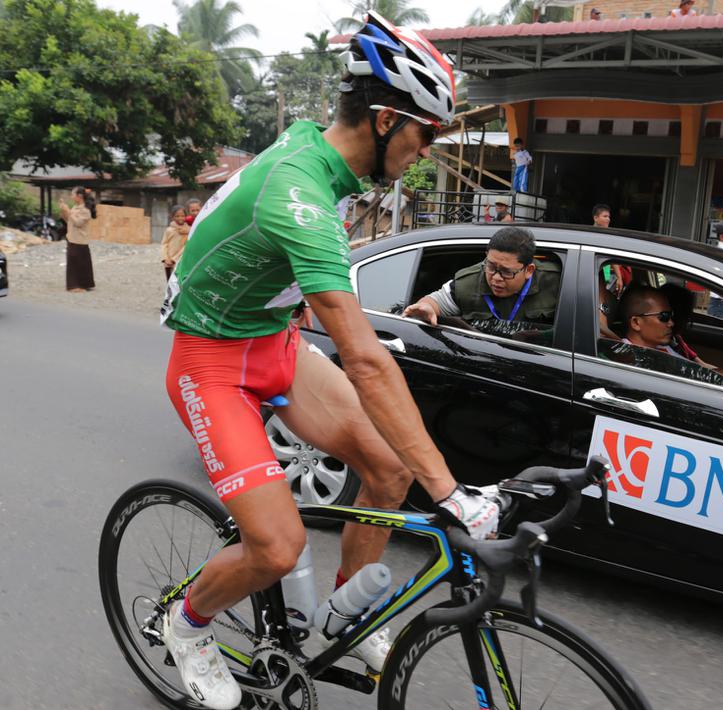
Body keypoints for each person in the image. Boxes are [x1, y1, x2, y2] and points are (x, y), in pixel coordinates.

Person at [157, 14, 501, 709]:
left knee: (389, 469)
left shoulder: (325, 156)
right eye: (426, 134)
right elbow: (365, 361)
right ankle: (186, 624)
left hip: (273, 343)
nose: (428, 151)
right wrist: (452, 493)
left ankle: (347, 612)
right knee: (277, 547)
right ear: (385, 119)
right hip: (211, 363)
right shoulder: (300, 193)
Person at [401, 226, 560, 332]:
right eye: (491, 266)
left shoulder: (558, 282)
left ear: (529, 270)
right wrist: (426, 307)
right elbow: (432, 303)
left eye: (506, 272)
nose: (496, 278)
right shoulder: (468, 281)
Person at [620, 285, 723, 381]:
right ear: (636, 322)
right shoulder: (635, 361)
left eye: (671, 315)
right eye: (664, 317)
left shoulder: (660, 349)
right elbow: (704, 380)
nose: (671, 323)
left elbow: (702, 374)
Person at [59, 186, 95, 292]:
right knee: (74, 263)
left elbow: (78, 223)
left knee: (79, 263)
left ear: (79, 196)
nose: (71, 197)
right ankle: (78, 285)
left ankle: (78, 285)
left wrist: (68, 211)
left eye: (72, 194)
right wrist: (64, 211)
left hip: (80, 240)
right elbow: (69, 221)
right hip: (72, 237)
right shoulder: (75, 208)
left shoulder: (85, 210)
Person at [160, 204, 190, 281]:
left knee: (180, 281)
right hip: (168, 262)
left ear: (186, 216)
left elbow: (186, 246)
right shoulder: (169, 230)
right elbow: (164, 244)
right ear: (172, 217)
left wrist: (174, 259)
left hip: (181, 261)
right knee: (169, 282)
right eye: (177, 216)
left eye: (182, 216)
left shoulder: (189, 230)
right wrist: (165, 258)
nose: (180, 218)